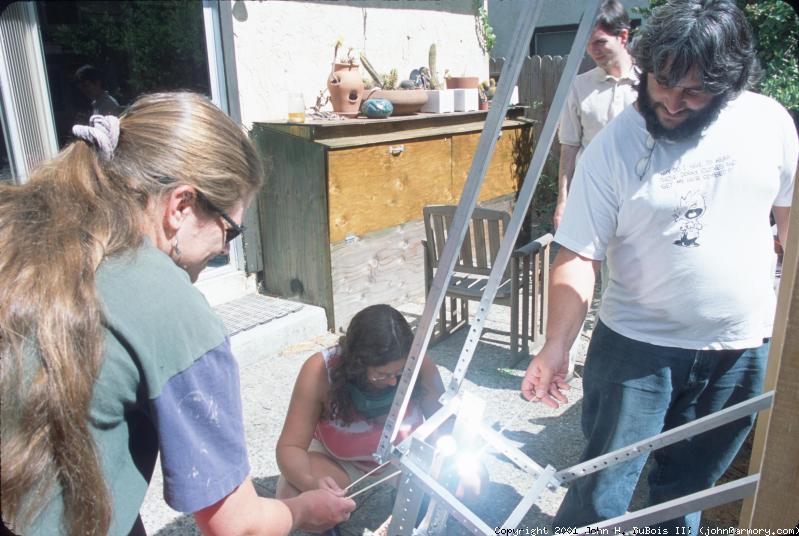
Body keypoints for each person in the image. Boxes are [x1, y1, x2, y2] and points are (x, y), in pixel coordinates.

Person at [0, 92, 355, 536]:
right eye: (231, 231)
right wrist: (303, 510)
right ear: (181, 206)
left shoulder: (21, 231)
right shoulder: (169, 306)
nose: (226, 250)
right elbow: (236, 525)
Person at [521, 0, 797, 532]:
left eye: (692, 92)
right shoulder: (615, 147)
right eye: (661, 85)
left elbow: (791, 226)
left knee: (683, 497)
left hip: (741, 350)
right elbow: (578, 253)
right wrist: (556, 346)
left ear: (730, 83)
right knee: (602, 493)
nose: (670, 103)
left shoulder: (771, 125)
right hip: (636, 351)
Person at [276, 304, 444, 530]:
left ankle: (407, 502)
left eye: (399, 373)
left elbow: (443, 424)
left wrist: (443, 467)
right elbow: (290, 446)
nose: (393, 382)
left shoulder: (417, 363)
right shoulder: (320, 370)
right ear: (356, 365)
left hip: (402, 458)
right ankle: (327, 525)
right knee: (291, 497)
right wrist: (312, 483)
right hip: (338, 460)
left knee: (468, 486)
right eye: (382, 375)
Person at [554, 0, 638, 231]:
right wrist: (563, 200)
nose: (593, 50)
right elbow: (569, 147)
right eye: (588, 44)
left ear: (622, 37)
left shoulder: (651, 85)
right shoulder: (579, 87)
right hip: (592, 196)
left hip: (639, 197)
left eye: (600, 42)